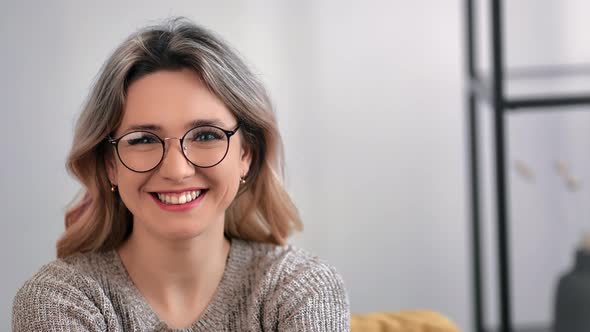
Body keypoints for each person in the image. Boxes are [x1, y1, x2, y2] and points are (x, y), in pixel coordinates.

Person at [12, 17, 350, 331]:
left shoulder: (302, 288)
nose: (176, 170)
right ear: (110, 164)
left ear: (246, 153)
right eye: (143, 139)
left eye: (206, 135)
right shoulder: (57, 299)